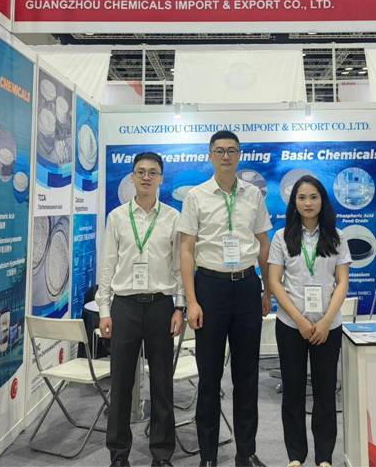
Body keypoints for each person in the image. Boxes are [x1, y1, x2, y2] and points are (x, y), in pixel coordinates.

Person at [178, 130, 272, 467]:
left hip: (247, 287)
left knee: (247, 376)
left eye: (232, 150)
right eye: (220, 151)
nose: (226, 156)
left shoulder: (253, 195)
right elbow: (186, 250)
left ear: (240, 155)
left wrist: (267, 290)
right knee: (209, 377)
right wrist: (191, 300)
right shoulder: (196, 196)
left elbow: (263, 243)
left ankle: (246, 453)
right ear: (210, 155)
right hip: (210, 288)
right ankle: (208, 457)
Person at [96, 152, 185, 467]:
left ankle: (161, 454)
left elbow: (179, 267)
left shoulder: (173, 218)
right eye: (141, 172)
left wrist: (179, 307)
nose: (146, 177)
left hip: (161, 306)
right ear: (132, 177)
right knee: (121, 383)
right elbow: (107, 266)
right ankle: (119, 454)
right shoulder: (117, 217)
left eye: (153, 172)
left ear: (161, 178)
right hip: (125, 306)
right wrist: (104, 310)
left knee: (162, 383)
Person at [268, 175, 351, 467]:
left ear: (322, 201)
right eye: (302, 197)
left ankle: (324, 457)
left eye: (313, 197)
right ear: (294, 203)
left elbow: (342, 283)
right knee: (292, 392)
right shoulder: (281, 237)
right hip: (291, 326)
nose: (307, 203)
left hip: (328, 326)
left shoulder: (337, 237)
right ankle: (295, 456)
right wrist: (300, 320)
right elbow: (274, 282)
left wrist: (326, 321)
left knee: (325, 392)